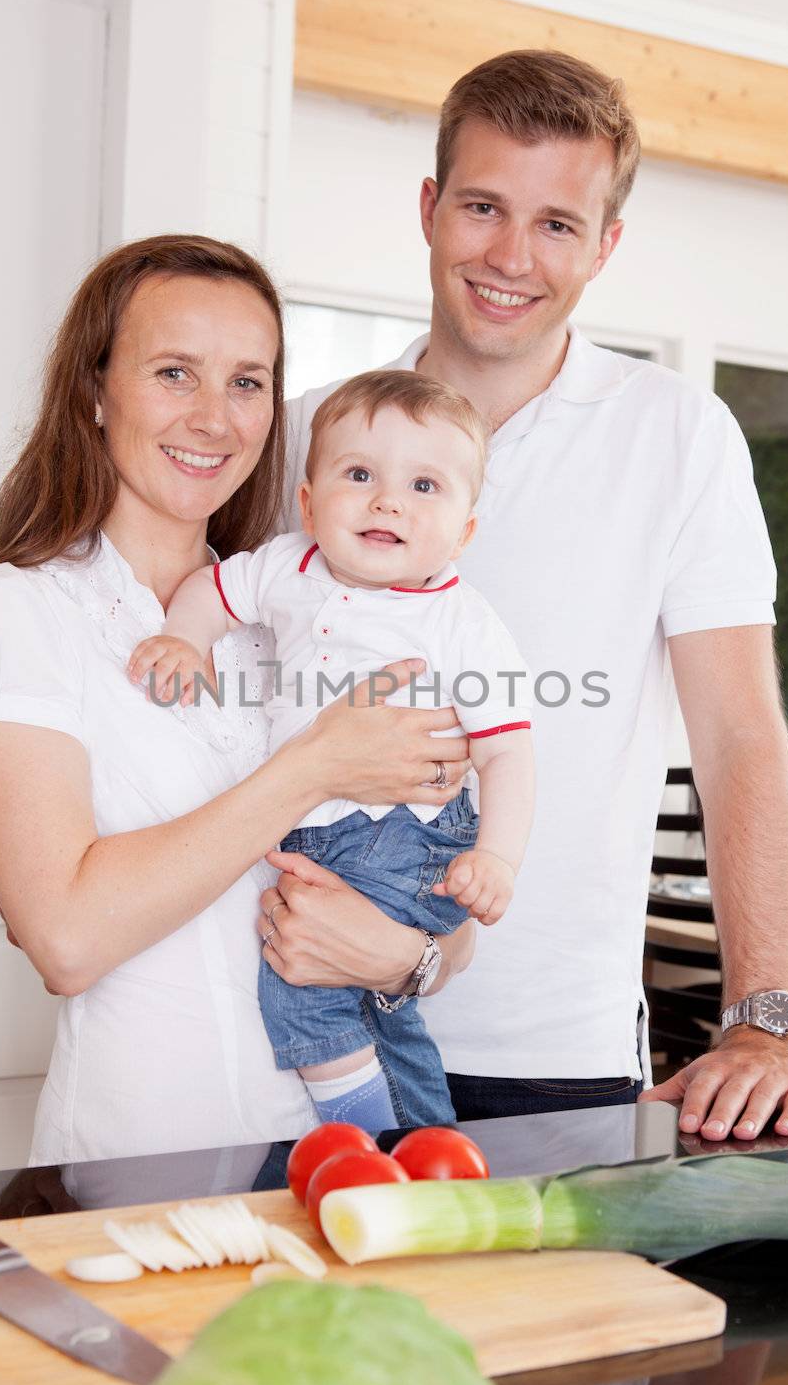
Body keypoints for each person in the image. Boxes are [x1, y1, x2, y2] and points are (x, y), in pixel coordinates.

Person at [266, 49, 788, 1142]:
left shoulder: (676, 434)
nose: (510, 256)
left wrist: (764, 1014)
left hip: (551, 1052)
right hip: (303, 1017)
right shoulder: (302, 430)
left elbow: (738, 736)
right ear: (429, 210)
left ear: (604, 245)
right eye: (481, 207)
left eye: (556, 224)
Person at [0, 235, 476, 1163]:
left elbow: (444, 900)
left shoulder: (301, 616)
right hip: (140, 1160)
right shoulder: (16, 607)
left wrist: (401, 957)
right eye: (175, 373)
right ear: (94, 389)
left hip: (339, 1154)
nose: (216, 419)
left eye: (247, 382)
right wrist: (314, 767)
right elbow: (66, 938)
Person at [127, 368, 534, 1133]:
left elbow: (507, 752)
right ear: (309, 503)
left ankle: (382, 1140)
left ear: (464, 530)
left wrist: (498, 858)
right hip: (308, 827)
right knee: (348, 996)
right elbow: (211, 595)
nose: (387, 501)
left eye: (424, 486)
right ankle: (416, 1149)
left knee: (302, 987)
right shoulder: (287, 566)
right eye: (358, 475)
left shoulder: (459, 621)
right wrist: (184, 640)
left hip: (403, 833)